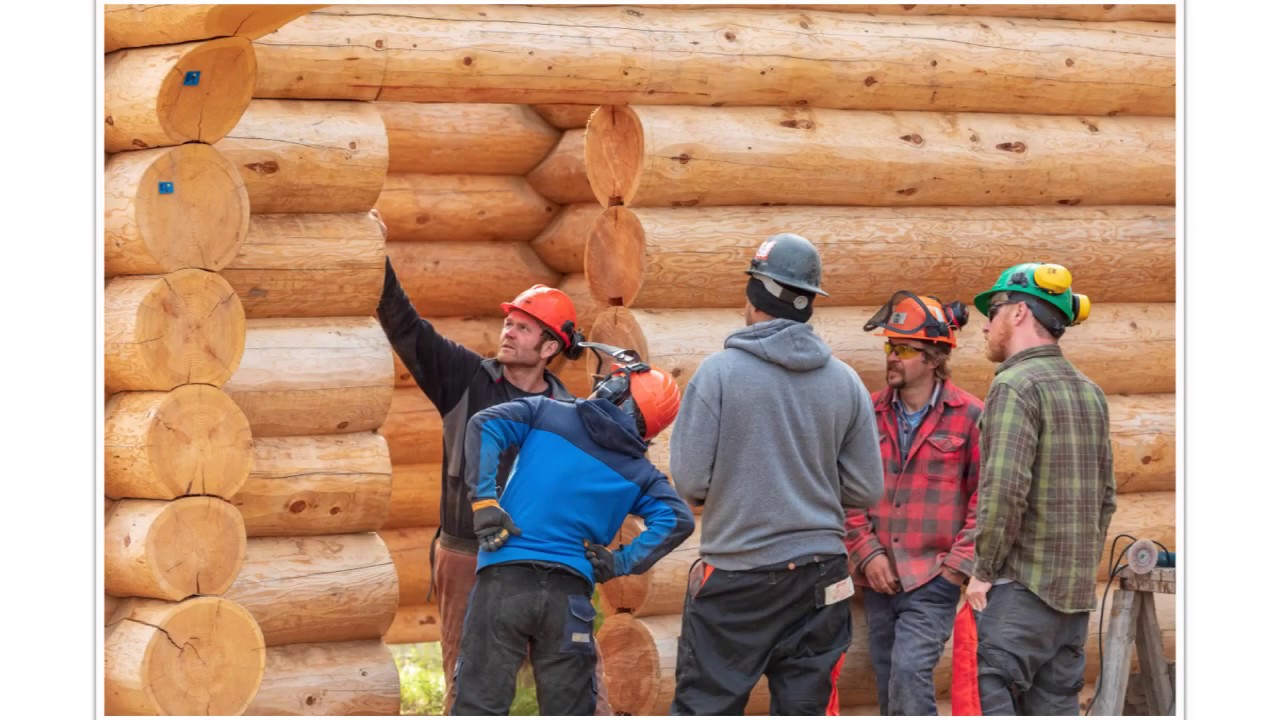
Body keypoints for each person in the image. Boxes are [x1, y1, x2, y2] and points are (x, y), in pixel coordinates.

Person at [370, 210, 613, 713]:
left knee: (581, 690)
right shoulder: (464, 377)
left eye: (524, 328)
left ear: (550, 347)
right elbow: (403, 324)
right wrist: (375, 252)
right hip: (466, 560)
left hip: (546, 564)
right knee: (470, 690)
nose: (508, 331)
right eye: (509, 322)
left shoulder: (571, 413)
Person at [667, 232, 885, 715]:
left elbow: (690, 482)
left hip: (739, 575)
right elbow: (867, 488)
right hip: (821, 576)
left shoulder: (718, 374)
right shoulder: (845, 382)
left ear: (757, 292)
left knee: (706, 707)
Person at [451, 345, 695, 715]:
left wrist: (485, 502)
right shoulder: (640, 474)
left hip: (505, 581)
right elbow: (677, 519)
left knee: (478, 705)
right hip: (570, 599)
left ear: (617, 391)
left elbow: (485, 424)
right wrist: (619, 563)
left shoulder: (546, 413)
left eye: (612, 380)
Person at [965, 262, 1115, 715]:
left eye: (994, 310)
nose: (987, 325)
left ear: (1018, 315)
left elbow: (1004, 490)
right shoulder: (1090, 392)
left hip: (1019, 595)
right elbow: (1106, 498)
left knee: (989, 693)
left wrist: (983, 570)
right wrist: (1078, 570)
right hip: (1072, 603)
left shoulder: (1015, 385)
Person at [844, 291, 984, 716]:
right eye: (890, 346)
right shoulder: (866, 413)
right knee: (889, 678)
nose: (892, 356)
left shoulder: (970, 416)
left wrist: (955, 568)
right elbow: (846, 490)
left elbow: (985, 499)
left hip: (933, 576)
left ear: (934, 358)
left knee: (908, 672)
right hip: (878, 578)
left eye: (904, 349)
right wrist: (867, 553)